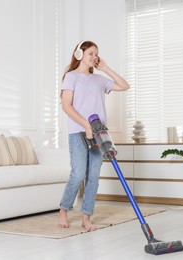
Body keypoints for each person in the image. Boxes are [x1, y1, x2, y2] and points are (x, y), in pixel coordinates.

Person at [58, 40, 130, 231]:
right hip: (78, 131)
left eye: (96, 54)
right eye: (91, 53)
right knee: (78, 173)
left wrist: (105, 68)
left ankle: (86, 217)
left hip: (99, 133)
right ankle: (64, 209)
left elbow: (124, 86)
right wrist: (85, 124)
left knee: (94, 176)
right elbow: (66, 106)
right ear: (79, 55)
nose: (95, 57)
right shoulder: (71, 77)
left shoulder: (99, 80)